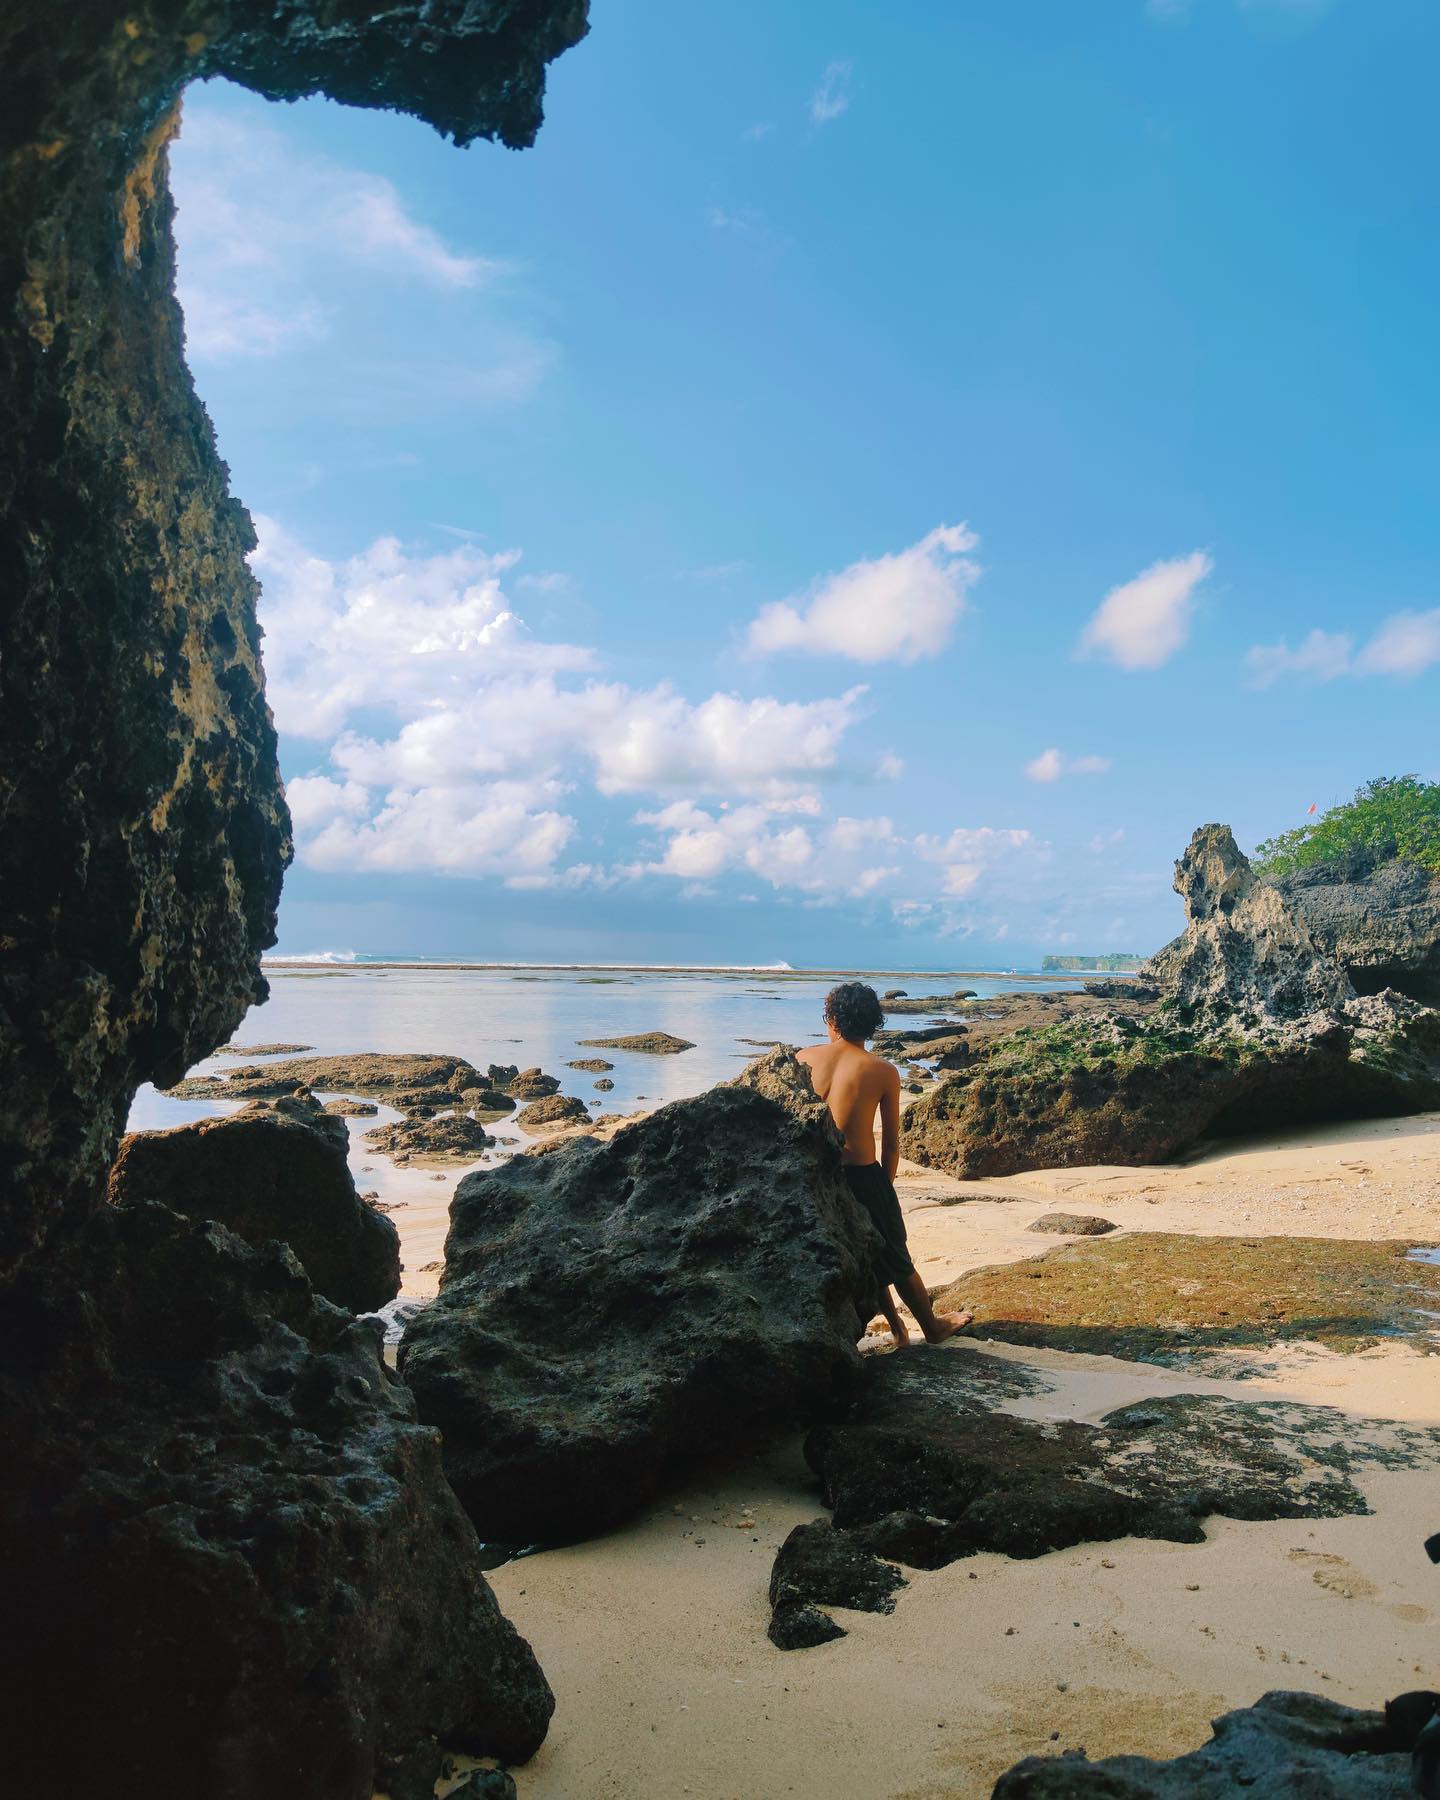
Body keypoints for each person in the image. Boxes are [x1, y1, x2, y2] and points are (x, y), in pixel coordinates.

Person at [798, 982, 973, 1347]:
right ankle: (931, 1327)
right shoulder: (882, 1070)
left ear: (831, 1020)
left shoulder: (804, 1058)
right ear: (874, 1024)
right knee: (892, 1252)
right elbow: (892, 1142)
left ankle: (896, 1327)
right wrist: (886, 1187)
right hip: (863, 1175)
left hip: (814, 1174)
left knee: (865, 1254)